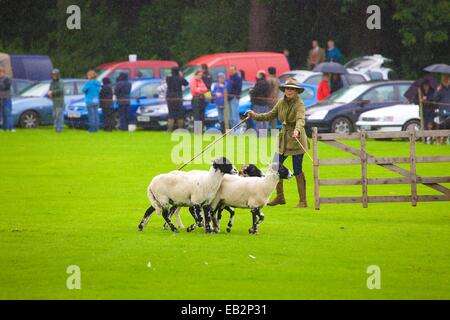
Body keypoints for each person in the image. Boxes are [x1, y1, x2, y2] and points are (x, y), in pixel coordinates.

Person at [247, 78, 308, 208]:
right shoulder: (281, 102)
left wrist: (297, 130)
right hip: (283, 140)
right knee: (275, 167)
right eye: (287, 88)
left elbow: (300, 119)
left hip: (297, 140)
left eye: (292, 89)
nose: (289, 91)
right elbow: (269, 115)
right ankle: (280, 197)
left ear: (296, 91)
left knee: (297, 170)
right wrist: (254, 115)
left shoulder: (300, 105)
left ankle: (303, 201)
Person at [166, 66, 188, 131]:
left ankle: (169, 129)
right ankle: (180, 129)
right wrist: (181, 76)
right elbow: (186, 83)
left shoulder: (168, 78)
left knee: (171, 113)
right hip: (178, 97)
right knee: (179, 113)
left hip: (170, 97)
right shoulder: (180, 78)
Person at [433, 74, 450, 144]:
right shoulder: (439, 89)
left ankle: (446, 140)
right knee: (442, 128)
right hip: (442, 112)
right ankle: (441, 141)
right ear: (442, 81)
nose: (446, 81)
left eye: (447, 80)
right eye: (444, 80)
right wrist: (437, 91)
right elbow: (435, 99)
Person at [227, 65, 242, 129]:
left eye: (232, 70)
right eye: (230, 70)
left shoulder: (237, 78)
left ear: (235, 70)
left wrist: (235, 95)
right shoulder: (230, 78)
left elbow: (239, 88)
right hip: (229, 98)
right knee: (230, 116)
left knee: (235, 116)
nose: (231, 71)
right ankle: (232, 130)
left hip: (234, 98)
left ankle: (237, 130)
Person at [0, 64, 13, 132]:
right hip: (0, 99)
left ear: (3, 71)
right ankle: (4, 128)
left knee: (8, 113)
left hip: (6, 98)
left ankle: (11, 128)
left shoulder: (7, 78)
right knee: (2, 114)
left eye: (0, 71)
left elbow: (6, 87)